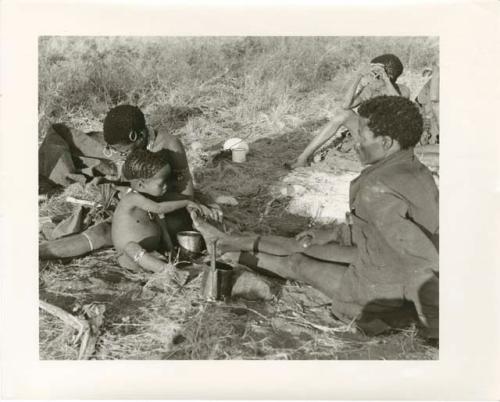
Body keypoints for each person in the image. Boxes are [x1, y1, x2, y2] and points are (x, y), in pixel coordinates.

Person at [194, 96, 439, 339]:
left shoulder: (378, 186)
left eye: (361, 136)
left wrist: (434, 325)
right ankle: (231, 242)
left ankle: (229, 251)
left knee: (297, 263)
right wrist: (330, 234)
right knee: (304, 245)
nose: (355, 143)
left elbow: (420, 258)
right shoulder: (415, 170)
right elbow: (380, 229)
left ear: (386, 142)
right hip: (378, 255)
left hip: (382, 285)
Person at [39, 104, 220, 259]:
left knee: (105, 232)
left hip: (165, 209)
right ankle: (36, 253)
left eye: (122, 150)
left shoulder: (170, 146)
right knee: (96, 225)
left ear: (136, 136)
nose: (122, 155)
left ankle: (40, 253)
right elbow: (130, 180)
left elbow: (186, 193)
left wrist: (138, 200)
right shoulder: (134, 146)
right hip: (138, 204)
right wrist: (117, 189)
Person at [290, 54, 411, 169]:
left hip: (386, 142)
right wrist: (358, 78)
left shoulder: (403, 90)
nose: (371, 74)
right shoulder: (371, 90)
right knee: (344, 114)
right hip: (368, 136)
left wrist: (386, 79)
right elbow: (346, 105)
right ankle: (303, 158)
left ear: (387, 73)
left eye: (375, 71)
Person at [112, 148, 212, 272]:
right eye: (161, 184)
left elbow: (161, 224)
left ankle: (165, 268)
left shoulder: (148, 198)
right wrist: (186, 202)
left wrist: (170, 248)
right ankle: (168, 272)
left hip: (150, 255)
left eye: (167, 182)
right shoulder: (132, 198)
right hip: (130, 258)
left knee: (159, 255)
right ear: (141, 185)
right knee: (131, 247)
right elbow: (158, 209)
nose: (166, 187)